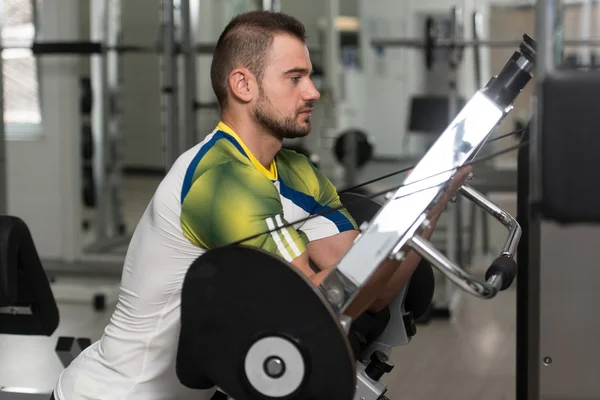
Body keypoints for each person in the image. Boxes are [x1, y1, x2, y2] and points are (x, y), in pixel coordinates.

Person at [52, 10, 470, 400]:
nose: (312, 91)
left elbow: (367, 292)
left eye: (310, 75)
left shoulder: (297, 170)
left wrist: (427, 207)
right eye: (295, 77)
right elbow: (321, 305)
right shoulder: (220, 181)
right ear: (243, 85)